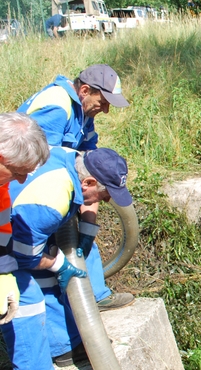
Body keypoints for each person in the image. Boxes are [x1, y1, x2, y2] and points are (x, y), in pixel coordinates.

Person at [2, 146, 133, 370]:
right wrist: (60, 263)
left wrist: (86, 232)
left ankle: (64, 345)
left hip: (17, 225)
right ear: (88, 182)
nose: (106, 201)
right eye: (105, 193)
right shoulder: (52, 200)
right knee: (28, 296)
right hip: (7, 240)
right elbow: (24, 255)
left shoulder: (71, 156)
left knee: (48, 281)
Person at [18, 64, 133, 311]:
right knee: (42, 254)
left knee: (81, 236)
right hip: (29, 194)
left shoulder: (84, 116)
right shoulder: (56, 107)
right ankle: (69, 308)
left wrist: (89, 231)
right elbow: (39, 165)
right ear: (84, 90)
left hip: (61, 186)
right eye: (103, 102)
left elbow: (91, 171)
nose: (106, 109)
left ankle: (96, 295)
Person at [0, 112, 59, 370]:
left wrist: (5, 271)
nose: (21, 181)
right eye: (18, 172)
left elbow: (1, 232)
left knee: (30, 297)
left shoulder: (1, 183)